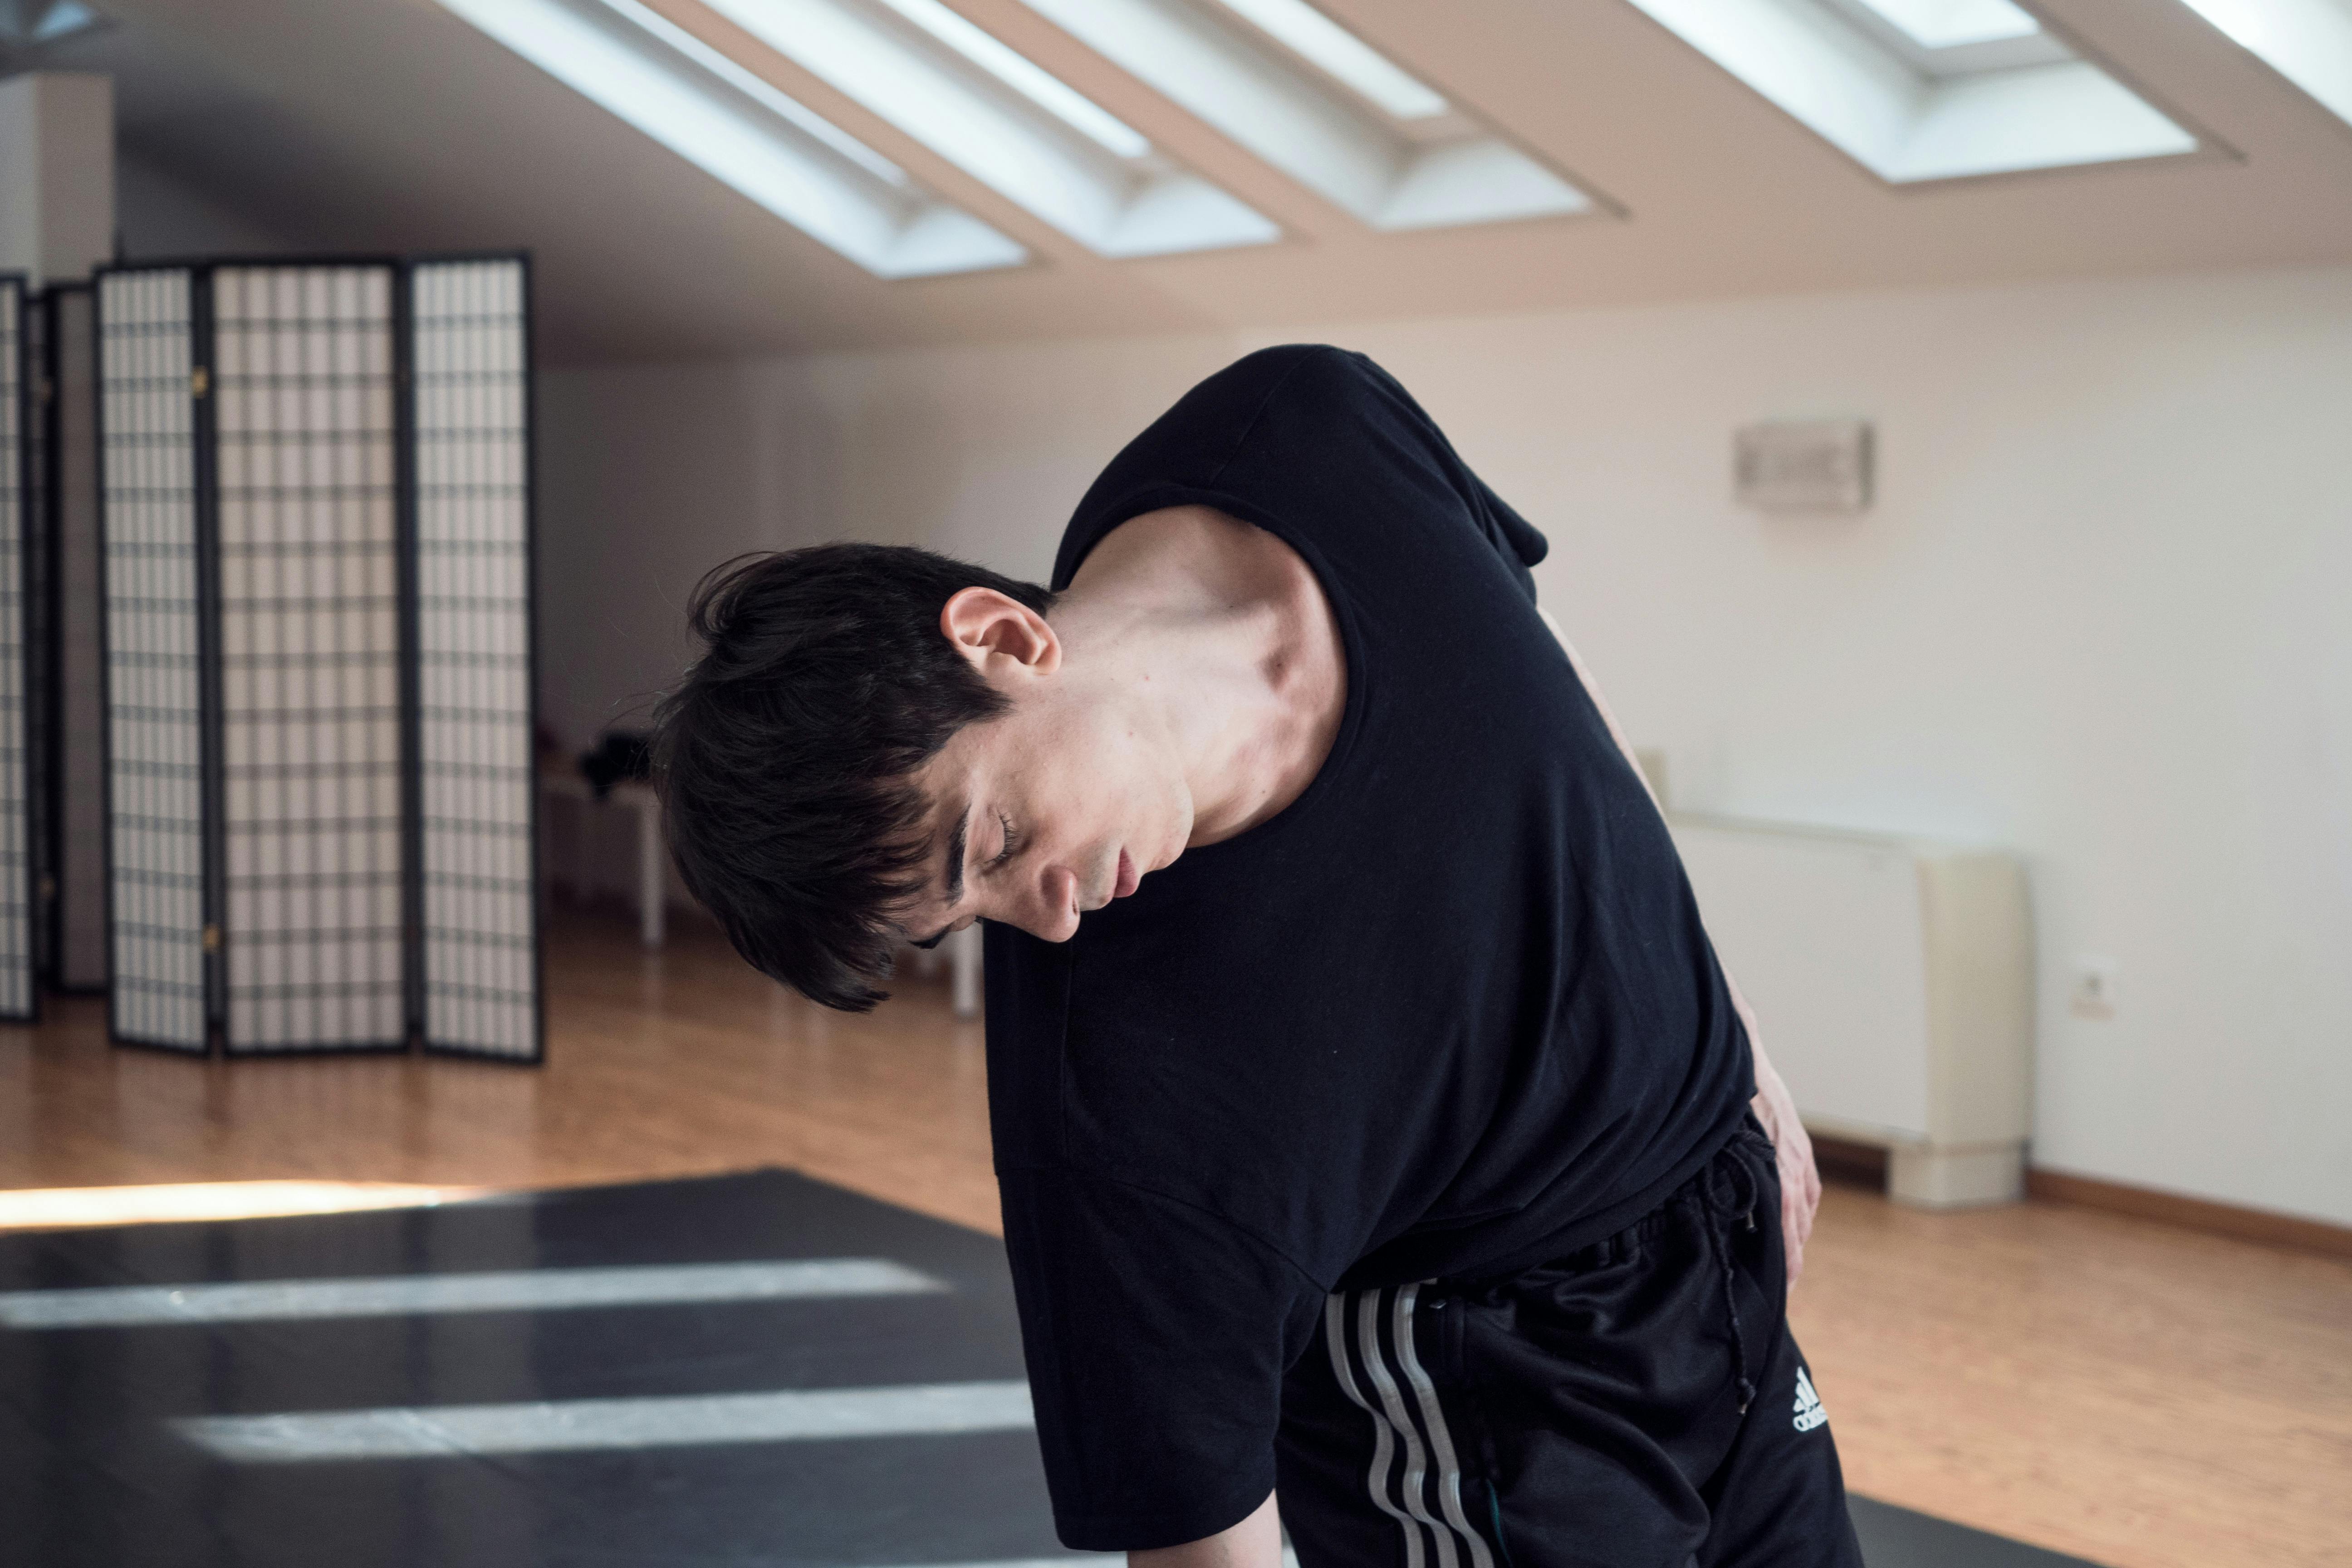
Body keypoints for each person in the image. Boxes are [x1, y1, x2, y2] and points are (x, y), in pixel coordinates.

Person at [652, 345, 1865, 1568]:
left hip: (1719, 1236)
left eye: (1002, 840)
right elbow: (1197, 1536)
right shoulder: (1108, 1104)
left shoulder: (1309, 429)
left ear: (1007, 641)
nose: (1050, 915)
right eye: (976, 917)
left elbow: (1546, 680)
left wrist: (1736, 1033)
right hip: (1494, 1399)